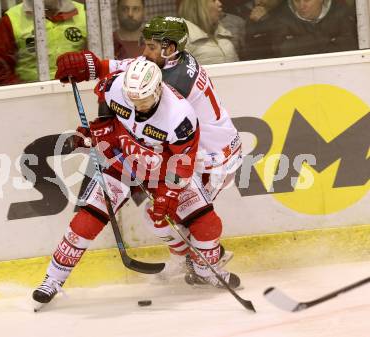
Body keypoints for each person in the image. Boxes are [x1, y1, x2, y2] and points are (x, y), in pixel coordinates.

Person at [32, 59, 241, 308]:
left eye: (142, 99)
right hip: (122, 159)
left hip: (162, 169)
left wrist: (167, 195)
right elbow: (107, 114)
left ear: (157, 90)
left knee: (206, 223)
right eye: (131, 98)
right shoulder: (116, 87)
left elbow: (182, 164)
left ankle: (205, 270)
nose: (135, 104)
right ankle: (52, 280)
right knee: (87, 220)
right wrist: (94, 133)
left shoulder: (179, 117)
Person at [53, 16, 242, 284]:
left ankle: (203, 263)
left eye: (152, 47)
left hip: (212, 158)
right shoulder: (166, 64)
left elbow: (138, 111)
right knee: (163, 215)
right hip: (193, 151)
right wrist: (88, 64)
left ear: (171, 48)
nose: (145, 52)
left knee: (171, 214)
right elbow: (123, 68)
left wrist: (102, 131)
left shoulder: (175, 82)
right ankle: (197, 259)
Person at [0, 0, 87, 86]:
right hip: (32, 96)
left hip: (81, 89)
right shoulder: (12, 18)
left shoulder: (86, 13)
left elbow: (99, 61)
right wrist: (26, 93)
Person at [272, 0, 358, 57]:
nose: (302, 6)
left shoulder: (341, 13)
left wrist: (300, 43)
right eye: (297, 1)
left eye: (307, 0)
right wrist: (325, 38)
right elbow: (280, 50)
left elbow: (350, 47)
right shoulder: (282, 18)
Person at [178, 0, 239, 64]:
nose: (220, 4)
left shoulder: (223, 33)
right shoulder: (180, 38)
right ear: (198, 6)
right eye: (213, 0)